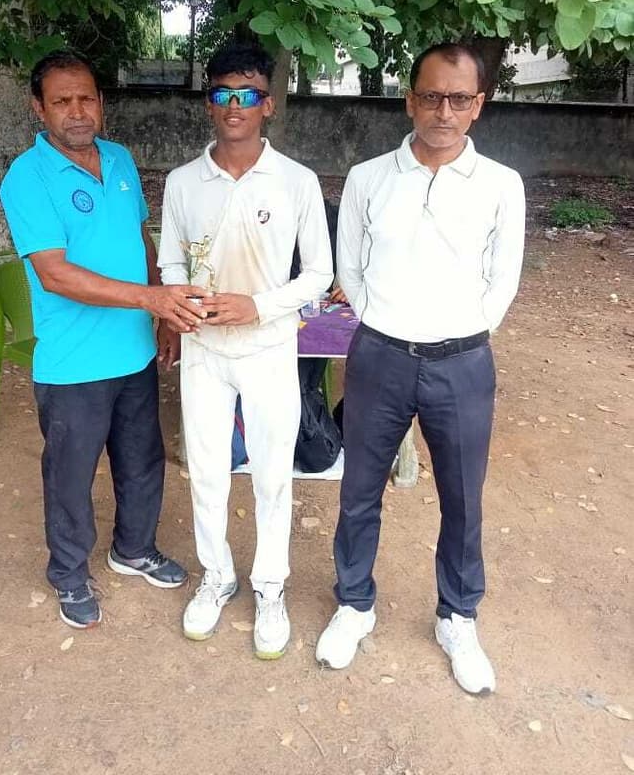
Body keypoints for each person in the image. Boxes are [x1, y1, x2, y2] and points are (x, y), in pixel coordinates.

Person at [315, 42, 525, 694]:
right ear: (411, 100)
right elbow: (349, 268)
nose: (444, 111)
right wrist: (386, 321)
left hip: (462, 363)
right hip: (379, 355)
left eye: (459, 99)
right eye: (431, 96)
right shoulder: (369, 178)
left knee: (462, 498)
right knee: (359, 491)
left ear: (478, 106)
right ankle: (354, 604)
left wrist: (460, 330)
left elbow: (503, 280)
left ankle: (457, 617)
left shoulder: (501, 185)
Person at [0, 50, 208, 629]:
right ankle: (68, 573)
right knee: (71, 475)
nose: (77, 111)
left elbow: (141, 239)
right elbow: (55, 274)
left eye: (86, 98)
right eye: (62, 101)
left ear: (101, 102)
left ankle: (133, 549)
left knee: (142, 461)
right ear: (38, 108)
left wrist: (163, 314)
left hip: (133, 352)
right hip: (73, 363)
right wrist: (152, 301)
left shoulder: (118, 159)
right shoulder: (27, 177)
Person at [157, 41, 333, 658]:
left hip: (268, 348)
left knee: (272, 474)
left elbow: (319, 275)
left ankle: (270, 586)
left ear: (268, 104)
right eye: (223, 94)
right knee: (207, 471)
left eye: (248, 94)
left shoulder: (296, 181)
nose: (235, 106)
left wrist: (256, 306)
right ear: (209, 102)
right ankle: (217, 576)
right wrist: (179, 310)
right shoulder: (183, 182)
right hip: (205, 350)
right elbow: (171, 262)